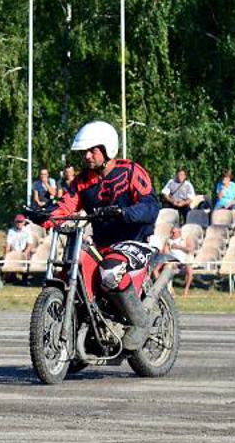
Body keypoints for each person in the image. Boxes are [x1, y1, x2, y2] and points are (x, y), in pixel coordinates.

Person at [46, 120, 160, 350]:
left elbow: (151, 206)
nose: (87, 156)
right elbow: (67, 204)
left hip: (133, 243)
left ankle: (140, 323)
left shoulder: (130, 171)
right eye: (84, 152)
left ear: (107, 148)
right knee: (70, 270)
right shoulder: (82, 181)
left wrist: (125, 213)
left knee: (110, 271)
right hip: (101, 245)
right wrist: (50, 217)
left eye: (92, 150)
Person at [163, 223, 195, 296]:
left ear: (179, 232)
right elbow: (165, 252)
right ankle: (171, 289)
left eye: (174, 232)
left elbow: (190, 249)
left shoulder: (185, 239)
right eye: (171, 232)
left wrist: (179, 247)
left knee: (189, 271)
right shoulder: (168, 240)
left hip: (184, 261)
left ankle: (186, 290)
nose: (172, 234)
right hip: (173, 261)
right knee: (167, 268)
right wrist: (168, 250)